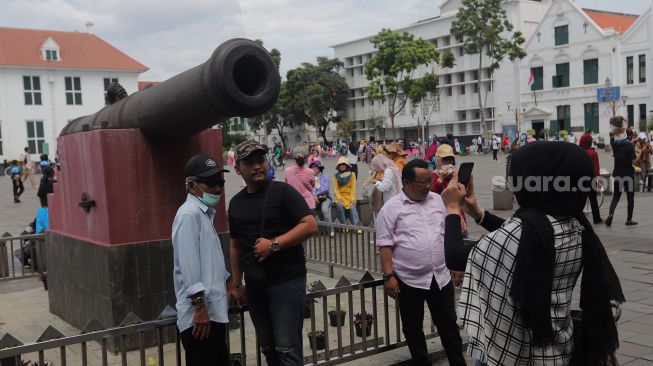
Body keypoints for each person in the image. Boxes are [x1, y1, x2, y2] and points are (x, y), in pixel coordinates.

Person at [440, 142, 624, 366]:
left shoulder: (523, 235)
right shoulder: (575, 225)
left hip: (518, 351)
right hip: (558, 346)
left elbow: (454, 255)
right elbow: (524, 238)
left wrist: (451, 208)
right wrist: (478, 213)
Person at [228, 140, 318, 366]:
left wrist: (274, 244)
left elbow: (309, 225)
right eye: (250, 162)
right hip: (256, 285)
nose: (258, 166)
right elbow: (235, 245)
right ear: (237, 168)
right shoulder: (236, 204)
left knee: (287, 348)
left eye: (261, 160)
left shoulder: (283, 192)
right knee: (268, 347)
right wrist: (237, 283)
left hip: (287, 281)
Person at [376, 159, 466, 366]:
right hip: (408, 280)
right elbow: (385, 244)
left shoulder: (438, 200)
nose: (427, 186)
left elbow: (449, 233)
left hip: (440, 278)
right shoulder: (391, 209)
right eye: (422, 182)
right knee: (413, 329)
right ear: (406, 182)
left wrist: (457, 265)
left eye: (429, 180)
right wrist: (389, 276)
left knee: (449, 327)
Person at [172, 154, 231, 366]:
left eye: (220, 182)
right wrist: (199, 308)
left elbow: (211, 263)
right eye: (211, 183)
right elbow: (189, 267)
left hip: (212, 314)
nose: (217, 188)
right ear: (191, 186)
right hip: (200, 319)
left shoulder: (203, 214)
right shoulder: (189, 215)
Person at [606, 116, 637, 226]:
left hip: (618, 173)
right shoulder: (630, 145)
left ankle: (610, 214)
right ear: (629, 136)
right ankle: (629, 219)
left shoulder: (614, 143)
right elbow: (635, 161)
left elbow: (613, 133)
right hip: (628, 173)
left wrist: (620, 123)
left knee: (616, 196)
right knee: (630, 196)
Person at [332, 157, 363, 228]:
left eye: (344, 164)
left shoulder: (352, 174)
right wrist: (339, 197)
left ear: (346, 165)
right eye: (340, 164)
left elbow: (353, 188)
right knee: (339, 207)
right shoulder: (335, 176)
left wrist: (353, 198)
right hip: (340, 196)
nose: (342, 166)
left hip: (350, 196)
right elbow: (335, 188)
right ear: (338, 166)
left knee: (352, 208)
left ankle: (357, 226)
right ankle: (344, 226)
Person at [579, 133, 603, 224]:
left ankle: (579, 219)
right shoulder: (593, 153)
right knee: (593, 200)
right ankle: (597, 219)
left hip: (580, 180)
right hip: (591, 179)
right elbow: (596, 168)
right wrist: (598, 180)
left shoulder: (578, 152)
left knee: (580, 200)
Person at [284, 148, 316, 214]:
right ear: (306, 157)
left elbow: (287, 185)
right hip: (309, 204)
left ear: (293, 157)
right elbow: (313, 185)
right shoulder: (311, 171)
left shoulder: (287, 171)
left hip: (293, 205)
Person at [310, 161, 334, 237]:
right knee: (308, 210)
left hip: (325, 197)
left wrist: (315, 195)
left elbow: (325, 188)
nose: (314, 168)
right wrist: (314, 196)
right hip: (314, 199)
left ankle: (330, 230)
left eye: (315, 167)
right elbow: (309, 189)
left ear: (320, 168)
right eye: (312, 167)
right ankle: (311, 231)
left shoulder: (325, 176)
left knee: (324, 209)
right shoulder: (310, 178)